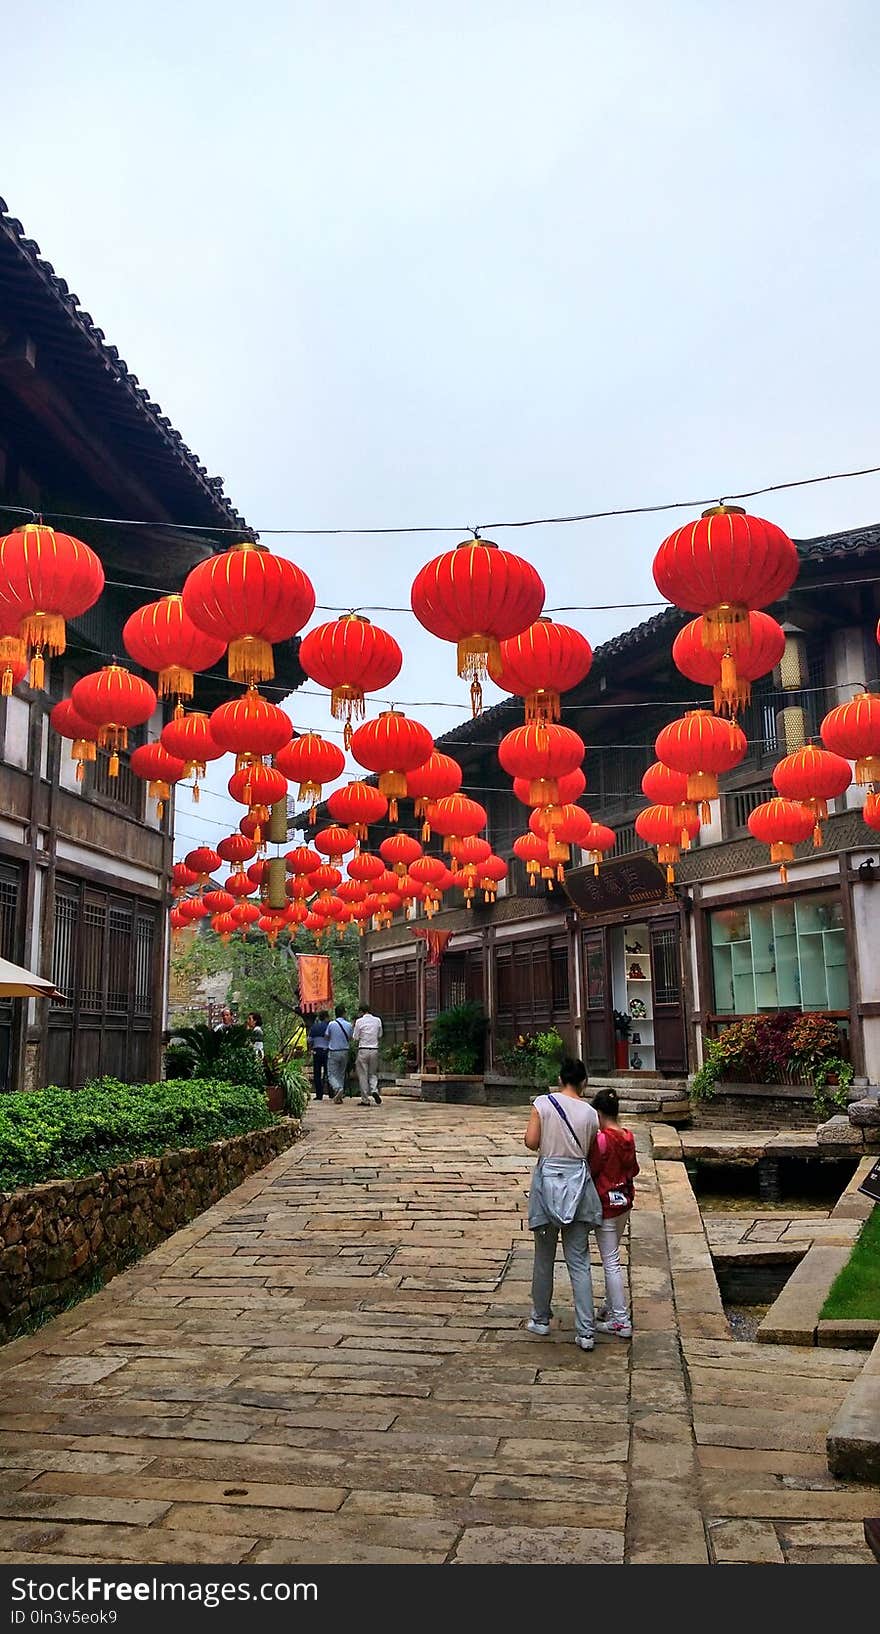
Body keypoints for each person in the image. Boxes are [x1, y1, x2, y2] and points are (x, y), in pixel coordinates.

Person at [523, 1057, 602, 1351]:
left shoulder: (542, 1104)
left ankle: (540, 1319)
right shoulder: (590, 1113)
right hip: (579, 1185)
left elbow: (531, 1142)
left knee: (544, 1256)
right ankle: (585, 1331)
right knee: (579, 1260)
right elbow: (592, 1149)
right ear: (584, 1082)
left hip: (547, 1184)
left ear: (560, 1078)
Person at [589, 1087, 639, 1339]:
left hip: (607, 1204)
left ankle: (621, 1319)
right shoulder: (628, 1136)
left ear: (598, 1113)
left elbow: (593, 1168)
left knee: (610, 1262)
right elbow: (635, 1169)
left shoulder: (602, 1140)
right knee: (614, 1256)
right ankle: (610, 1306)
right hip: (625, 1203)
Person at [352, 1003, 383, 1106]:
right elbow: (380, 1034)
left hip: (363, 1049)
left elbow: (355, 1037)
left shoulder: (359, 1021)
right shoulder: (377, 1020)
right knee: (372, 1073)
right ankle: (374, 1090)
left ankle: (365, 1099)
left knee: (363, 1075)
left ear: (361, 1012)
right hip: (374, 1049)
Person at [327, 1005, 354, 1103]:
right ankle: (339, 1096)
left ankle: (337, 1088)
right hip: (345, 1051)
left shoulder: (331, 1024)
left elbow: (327, 1036)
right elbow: (351, 1038)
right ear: (344, 1013)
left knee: (331, 1074)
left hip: (333, 1051)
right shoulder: (348, 1025)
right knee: (341, 1073)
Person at [308, 1010, 330, 1100]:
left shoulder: (314, 1027)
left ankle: (319, 1094)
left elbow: (309, 1040)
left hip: (316, 1052)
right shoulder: (329, 1026)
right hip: (327, 1051)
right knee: (328, 1072)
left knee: (317, 1074)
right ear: (326, 1017)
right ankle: (331, 1092)